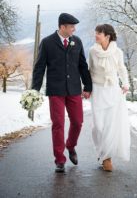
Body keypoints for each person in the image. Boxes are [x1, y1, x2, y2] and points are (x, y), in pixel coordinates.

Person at [32, 13, 92, 173]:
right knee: (58, 124)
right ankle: (59, 159)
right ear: (62, 27)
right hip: (55, 90)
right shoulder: (47, 43)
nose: (74, 29)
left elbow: (82, 65)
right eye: (72, 26)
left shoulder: (77, 41)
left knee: (78, 122)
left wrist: (88, 86)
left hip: (74, 89)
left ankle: (70, 146)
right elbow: (39, 68)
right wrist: (34, 90)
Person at [89, 24, 131, 172]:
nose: (95, 35)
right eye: (95, 32)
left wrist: (125, 83)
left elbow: (121, 69)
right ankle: (101, 152)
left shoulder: (117, 52)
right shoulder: (93, 51)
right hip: (97, 91)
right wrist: (86, 88)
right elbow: (89, 71)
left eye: (98, 33)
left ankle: (107, 158)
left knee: (110, 125)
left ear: (107, 36)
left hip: (113, 91)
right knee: (98, 126)